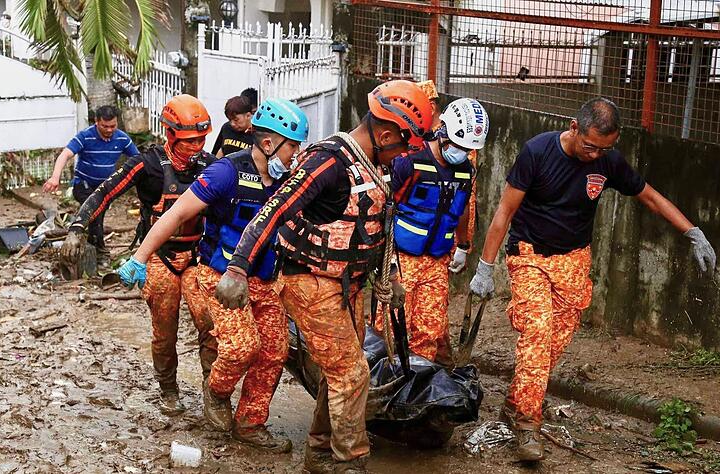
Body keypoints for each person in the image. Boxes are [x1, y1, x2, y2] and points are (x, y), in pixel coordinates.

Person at [468, 97, 717, 462]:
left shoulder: (607, 161)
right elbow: (504, 212)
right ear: (574, 128)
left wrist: (691, 231)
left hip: (574, 260)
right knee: (537, 333)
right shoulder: (537, 152)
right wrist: (484, 268)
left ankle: (516, 402)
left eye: (606, 148)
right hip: (530, 257)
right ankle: (526, 425)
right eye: (590, 146)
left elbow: (648, 196)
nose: (596, 155)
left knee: (553, 344)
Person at [215, 80, 433, 473]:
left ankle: (318, 452)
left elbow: (380, 225)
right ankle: (351, 462)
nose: (405, 154)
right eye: (404, 144)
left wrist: (392, 276)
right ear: (385, 134)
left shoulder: (376, 166)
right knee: (352, 372)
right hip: (309, 282)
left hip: (346, 284)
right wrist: (238, 267)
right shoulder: (328, 162)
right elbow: (275, 209)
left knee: (341, 369)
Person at [119, 98, 308, 452]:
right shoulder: (226, 172)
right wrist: (140, 257)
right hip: (219, 277)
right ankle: (216, 392)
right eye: (293, 146)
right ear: (268, 144)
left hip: (265, 281)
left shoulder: (291, 180)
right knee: (240, 347)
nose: (296, 155)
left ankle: (250, 423)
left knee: (274, 351)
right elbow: (174, 215)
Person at [60, 94, 217, 416]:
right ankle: (168, 389)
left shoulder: (211, 166)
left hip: (198, 255)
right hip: (159, 256)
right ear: (170, 133)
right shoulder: (146, 164)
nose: (196, 146)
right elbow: (105, 193)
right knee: (164, 329)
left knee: (210, 325)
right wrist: (77, 228)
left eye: (202, 139)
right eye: (189, 140)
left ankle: (213, 392)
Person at [387, 97, 488, 365]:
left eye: (468, 149)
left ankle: (416, 395)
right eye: (458, 145)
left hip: (437, 262)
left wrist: (463, 245)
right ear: (443, 130)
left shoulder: (466, 171)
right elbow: (384, 207)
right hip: (402, 259)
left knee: (429, 332)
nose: (462, 153)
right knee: (392, 327)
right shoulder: (407, 163)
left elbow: (462, 206)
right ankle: (382, 389)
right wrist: (385, 262)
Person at [44, 105, 139, 256]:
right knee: (96, 212)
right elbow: (65, 155)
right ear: (96, 122)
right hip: (83, 185)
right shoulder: (85, 136)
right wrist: (55, 177)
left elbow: (138, 159)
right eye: (105, 126)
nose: (109, 130)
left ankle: (88, 242)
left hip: (105, 188)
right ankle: (100, 251)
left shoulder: (122, 138)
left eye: (112, 126)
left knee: (95, 216)